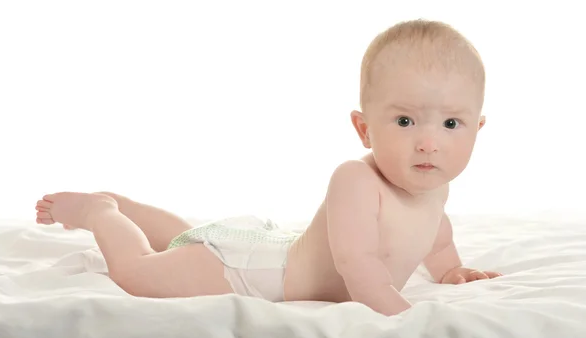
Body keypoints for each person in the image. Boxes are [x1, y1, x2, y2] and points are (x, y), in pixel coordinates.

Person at [35, 19, 502, 317]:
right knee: (140, 275)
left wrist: (451, 270)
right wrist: (401, 315)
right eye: (404, 120)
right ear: (364, 130)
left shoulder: (433, 188)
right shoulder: (356, 179)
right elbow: (356, 264)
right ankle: (103, 212)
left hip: (270, 247)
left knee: (187, 240)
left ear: (477, 129)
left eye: (450, 123)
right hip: (259, 271)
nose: (429, 141)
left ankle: (133, 208)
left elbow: (435, 236)